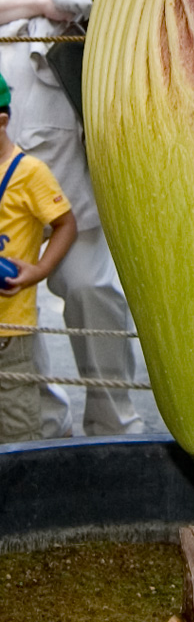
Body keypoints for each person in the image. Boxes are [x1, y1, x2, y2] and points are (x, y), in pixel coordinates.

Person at [0, 0, 141, 437]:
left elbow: (139, 5)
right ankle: (34, 430)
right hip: (8, 105)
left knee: (90, 281)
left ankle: (113, 424)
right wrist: (46, 2)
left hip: (88, 109)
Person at [0, 72, 76, 442]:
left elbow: (66, 224)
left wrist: (41, 269)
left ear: (2, 120)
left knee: (16, 429)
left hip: (9, 333)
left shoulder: (29, 172)